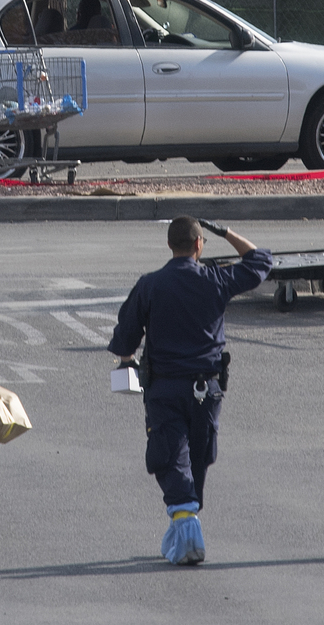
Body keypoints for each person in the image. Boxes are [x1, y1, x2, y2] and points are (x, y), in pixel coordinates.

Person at [108, 215, 273, 565]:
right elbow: (260, 260)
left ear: (170, 246)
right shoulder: (216, 279)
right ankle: (185, 522)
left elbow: (126, 334)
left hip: (165, 389)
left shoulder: (151, 285)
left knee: (169, 456)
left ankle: (185, 522)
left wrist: (126, 364)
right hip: (207, 389)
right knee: (197, 457)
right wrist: (224, 230)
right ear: (199, 245)